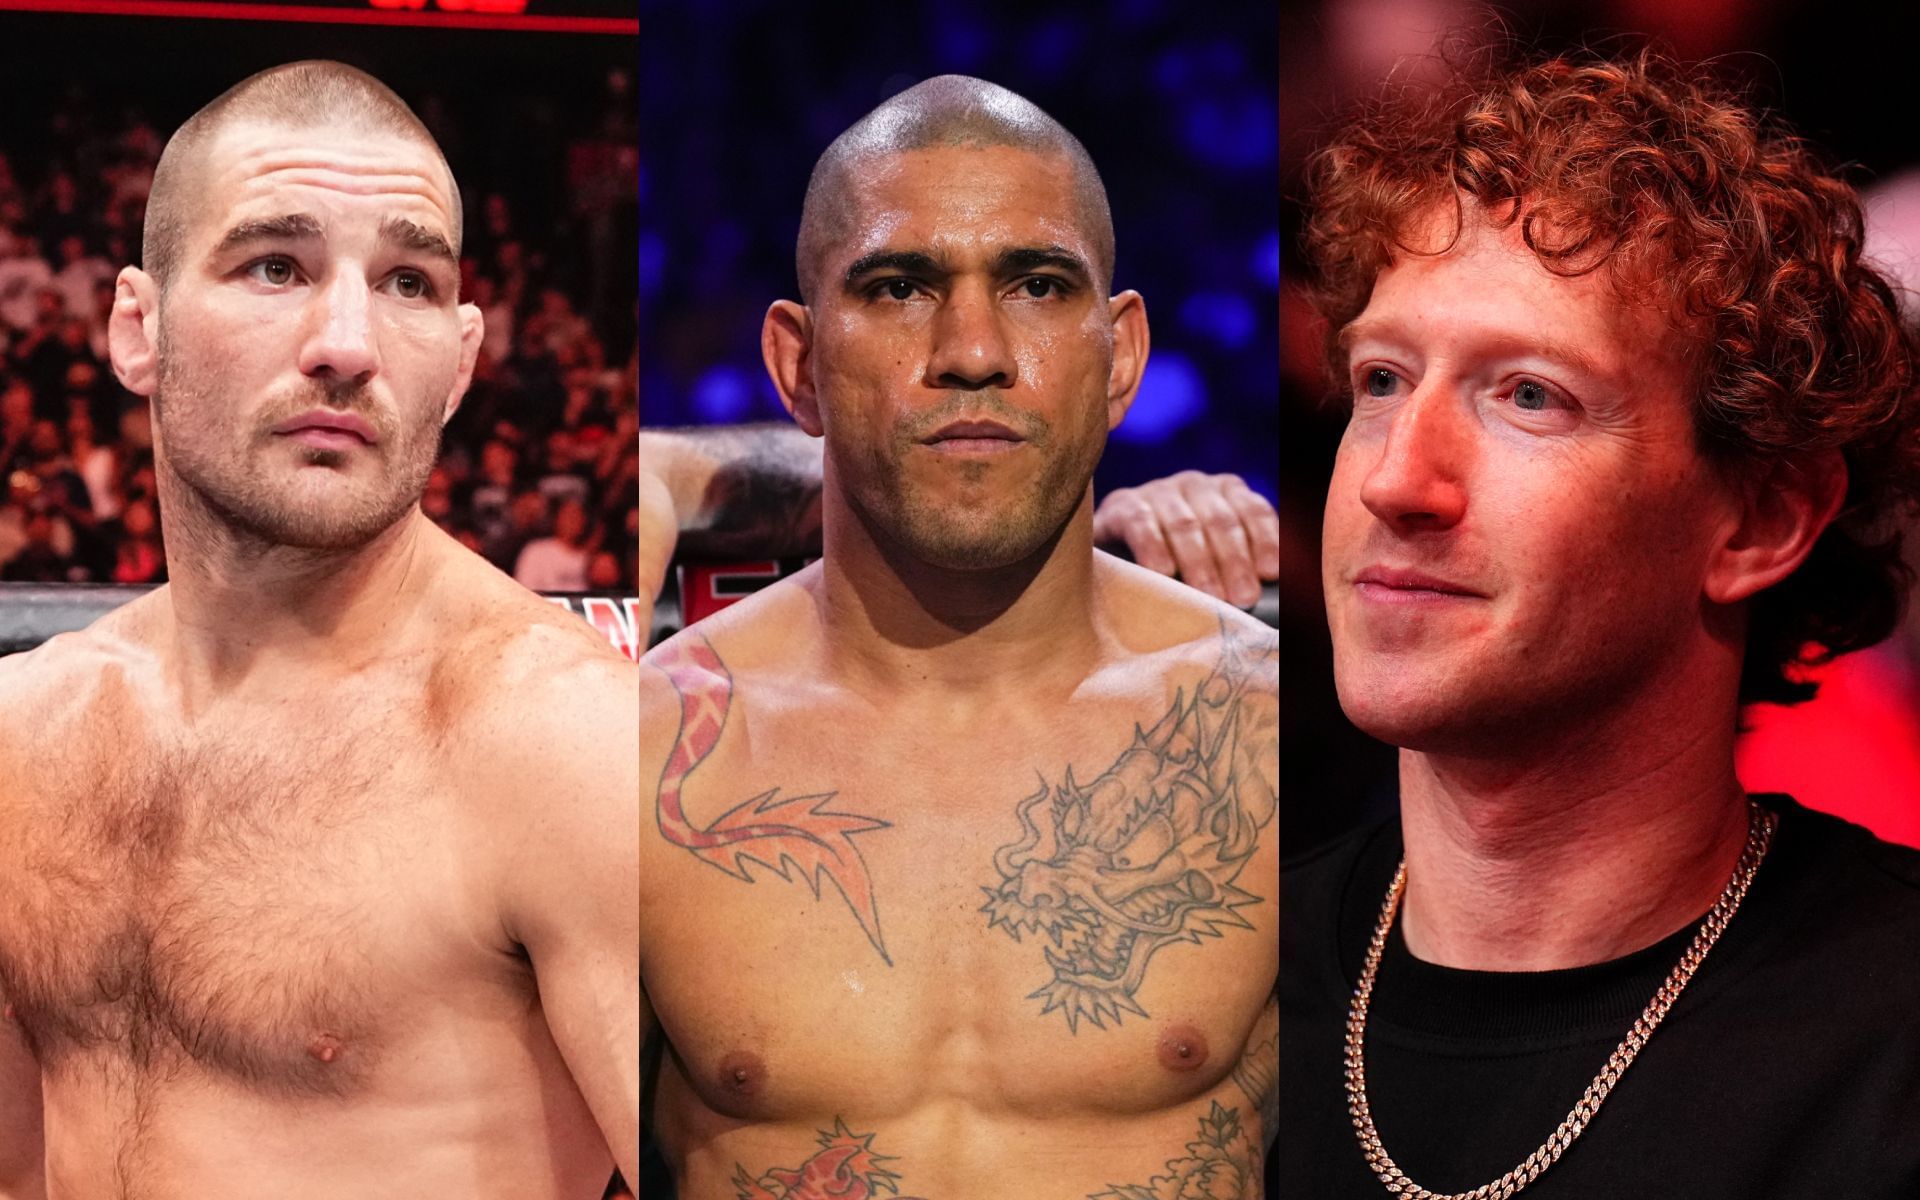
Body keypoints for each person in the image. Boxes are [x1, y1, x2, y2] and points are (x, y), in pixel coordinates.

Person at [1281, 47, 1920, 1197]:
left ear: (1760, 522)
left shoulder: (1889, 1042)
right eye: (1381, 381)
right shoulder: (1189, 989)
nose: (1394, 480)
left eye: (1530, 395)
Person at [0, 62, 638, 1197]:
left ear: (462, 362)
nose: (347, 342)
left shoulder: (561, 745)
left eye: (407, 282)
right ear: (138, 329)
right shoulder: (23, 734)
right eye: (275, 265)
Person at [636, 75, 1279, 1196]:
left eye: (1037, 285)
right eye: (898, 287)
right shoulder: (648, 749)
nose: (973, 350)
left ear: (1122, 356)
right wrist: (660, 475)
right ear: (796, 366)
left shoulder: (1261, 724)